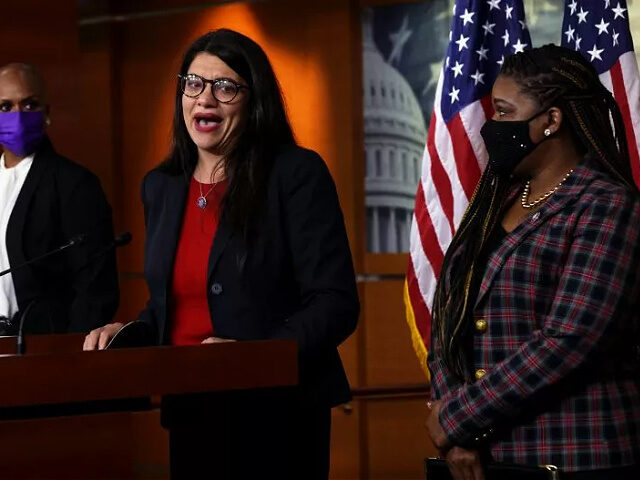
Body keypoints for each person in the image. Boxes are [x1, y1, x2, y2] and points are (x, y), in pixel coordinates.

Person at [84, 29, 359, 479]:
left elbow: (336, 302)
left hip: (277, 413)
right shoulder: (162, 186)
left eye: (225, 87)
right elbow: (169, 303)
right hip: (193, 411)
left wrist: (255, 356)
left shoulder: (295, 174)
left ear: (254, 100)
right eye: (193, 84)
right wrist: (129, 331)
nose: (205, 99)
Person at [425, 45, 640, 480]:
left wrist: (459, 418)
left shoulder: (607, 205)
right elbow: (449, 317)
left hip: (574, 455)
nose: (492, 126)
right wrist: (459, 430)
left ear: (551, 121)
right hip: (483, 456)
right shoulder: (494, 205)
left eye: (504, 112)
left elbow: (569, 339)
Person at [0, 63, 118, 334]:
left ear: (47, 113)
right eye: (5, 107)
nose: (17, 116)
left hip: (41, 348)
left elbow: (96, 291)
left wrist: (67, 353)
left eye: (29, 105)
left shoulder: (74, 184)